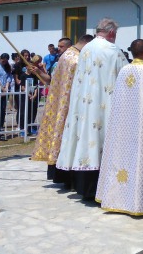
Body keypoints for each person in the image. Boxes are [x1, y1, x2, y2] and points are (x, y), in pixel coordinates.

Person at [56, 18, 128, 200]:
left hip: (85, 105)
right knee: (101, 143)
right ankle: (100, 190)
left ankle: (84, 188)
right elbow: (126, 76)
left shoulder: (85, 49)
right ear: (111, 33)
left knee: (87, 141)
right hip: (105, 105)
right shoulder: (113, 50)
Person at [96, 39, 143, 215]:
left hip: (122, 126)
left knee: (120, 159)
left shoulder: (123, 71)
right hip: (142, 126)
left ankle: (116, 199)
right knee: (139, 159)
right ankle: (137, 202)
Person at [31, 34, 93, 183]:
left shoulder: (66, 57)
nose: (59, 49)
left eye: (60, 47)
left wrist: (39, 72)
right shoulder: (76, 59)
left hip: (61, 103)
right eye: (58, 47)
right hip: (70, 105)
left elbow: (53, 80)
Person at [0, 53, 14, 139]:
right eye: (3, 60)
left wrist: (6, 87)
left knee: (2, 111)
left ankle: (0, 128)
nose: (4, 62)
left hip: (5, 91)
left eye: (6, 60)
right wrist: (1, 88)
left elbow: (9, 77)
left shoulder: (7, 66)